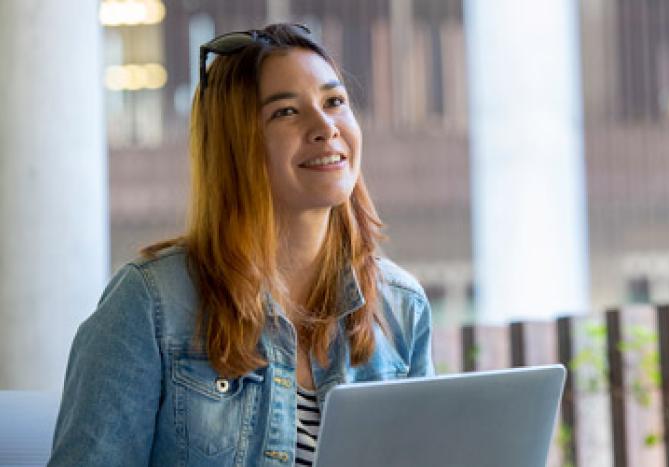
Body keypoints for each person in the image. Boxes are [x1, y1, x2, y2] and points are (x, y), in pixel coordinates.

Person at [48, 23, 434, 467]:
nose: (326, 126)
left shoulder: (401, 308)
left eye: (334, 102)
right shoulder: (148, 306)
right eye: (286, 112)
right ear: (237, 147)